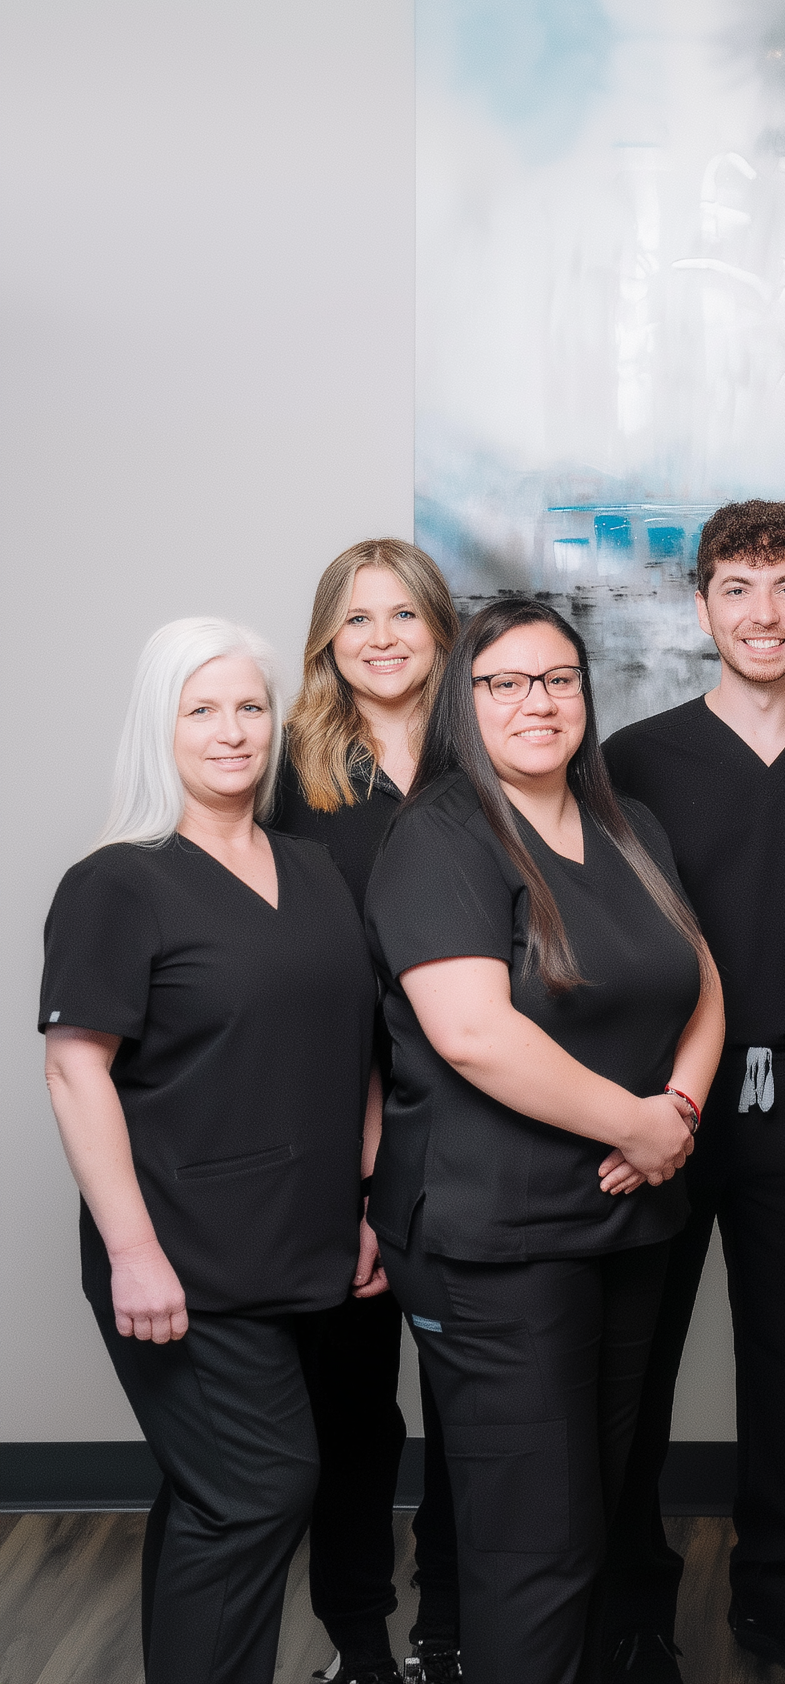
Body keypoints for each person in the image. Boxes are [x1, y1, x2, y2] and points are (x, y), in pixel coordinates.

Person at [364, 598, 725, 1684]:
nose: (537, 701)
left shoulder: (627, 825)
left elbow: (703, 985)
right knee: (537, 1539)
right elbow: (475, 1035)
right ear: (464, 704)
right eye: (505, 682)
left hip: (624, 1225)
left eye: (558, 678)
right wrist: (637, 1123)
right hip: (494, 1240)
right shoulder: (436, 839)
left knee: (600, 1512)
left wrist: (681, 1118)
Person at [40, 618, 378, 1684]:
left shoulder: (316, 869)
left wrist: (363, 1204)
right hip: (179, 1251)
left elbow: (357, 1049)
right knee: (259, 1484)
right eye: (202, 709)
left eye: (249, 707)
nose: (233, 731)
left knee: (214, 1494)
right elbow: (74, 1069)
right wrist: (132, 1250)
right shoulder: (117, 882)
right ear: (160, 727)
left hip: (305, 1246)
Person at [600, 503, 785, 1684]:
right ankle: (630, 1601)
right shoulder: (631, 761)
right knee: (631, 1360)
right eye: (738, 587)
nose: (763, 612)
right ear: (698, 604)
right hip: (664, 1108)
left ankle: (779, 1590)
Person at [272, 539, 463, 1684]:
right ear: (326, 642)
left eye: (404, 614)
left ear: (441, 628)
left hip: (468, 1132)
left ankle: (449, 1632)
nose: (383, 637)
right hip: (330, 1138)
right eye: (357, 620)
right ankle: (361, 1646)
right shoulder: (285, 775)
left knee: (471, 1420)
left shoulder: (488, 754)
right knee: (352, 1420)